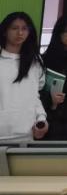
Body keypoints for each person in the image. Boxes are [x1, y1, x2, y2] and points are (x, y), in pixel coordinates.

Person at [0, 12, 47, 142]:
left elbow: (34, 96)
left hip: (25, 135)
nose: (20, 33)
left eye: (24, 28)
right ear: (5, 31)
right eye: (14, 28)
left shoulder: (35, 62)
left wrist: (41, 119)